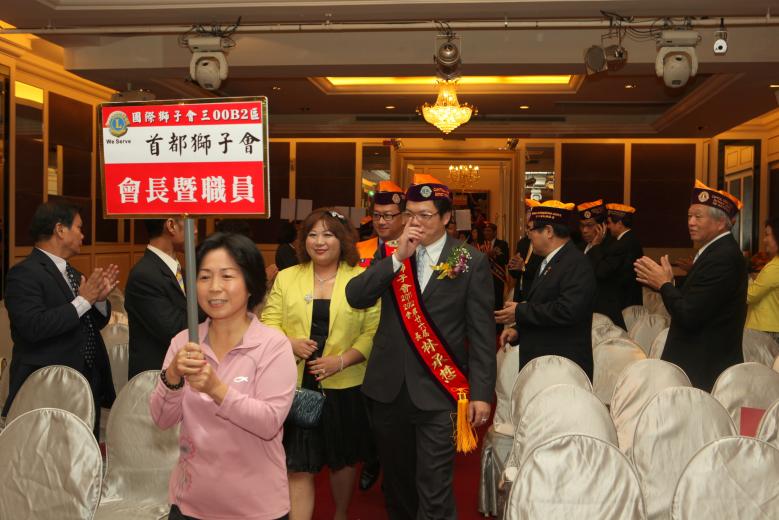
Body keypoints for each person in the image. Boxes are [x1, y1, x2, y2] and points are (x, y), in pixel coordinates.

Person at [345, 174, 496, 520]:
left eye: (425, 215)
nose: (416, 222)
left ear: (446, 218)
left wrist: (481, 393)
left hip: (439, 391)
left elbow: (482, 333)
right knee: (397, 487)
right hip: (388, 389)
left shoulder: (470, 260)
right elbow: (356, 296)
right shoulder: (392, 252)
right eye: (410, 214)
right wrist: (398, 258)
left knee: (434, 486)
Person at [150, 232, 297, 520]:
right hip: (190, 503)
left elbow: (268, 422)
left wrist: (216, 389)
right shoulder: (184, 343)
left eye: (227, 276)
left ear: (250, 284)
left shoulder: (272, 345)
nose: (214, 287)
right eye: (204, 277)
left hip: (255, 508)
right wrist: (173, 376)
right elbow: (162, 419)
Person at [261, 209, 380, 520]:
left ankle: (340, 514)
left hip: (345, 383)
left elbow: (372, 332)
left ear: (342, 240)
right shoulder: (288, 277)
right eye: (312, 234)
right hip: (297, 383)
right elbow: (269, 321)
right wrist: (289, 343)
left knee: (343, 459)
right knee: (298, 462)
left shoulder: (361, 279)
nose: (319, 241)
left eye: (328, 234)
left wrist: (341, 361)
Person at [2, 202, 118, 431]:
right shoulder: (23, 273)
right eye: (79, 228)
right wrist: (84, 301)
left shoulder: (73, 272)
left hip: (87, 380)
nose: (83, 235)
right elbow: (33, 327)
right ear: (60, 229)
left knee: (84, 446)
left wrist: (99, 300)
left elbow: (91, 323)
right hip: (48, 387)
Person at [635, 180, 747, 391]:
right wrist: (669, 283)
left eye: (698, 216)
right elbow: (697, 301)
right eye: (689, 216)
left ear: (720, 222)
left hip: (704, 366)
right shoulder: (714, 251)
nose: (691, 222)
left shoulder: (723, 257)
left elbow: (689, 315)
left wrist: (665, 285)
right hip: (697, 363)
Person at [496, 200, 596, 379]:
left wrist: (520, 311)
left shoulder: (576, 263)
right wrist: (518, 330)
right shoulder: (549, 261)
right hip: (544, 363)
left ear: (549, 231)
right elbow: (542, 304)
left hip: (561, 367)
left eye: (532, 230)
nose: (529, 236)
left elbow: (567, 310)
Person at [355, 180, 407, 490]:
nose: (382, 221)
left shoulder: (414, 248)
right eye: (377, 215)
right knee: (366, 414)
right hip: (360, 340)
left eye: (389, 215)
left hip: (397, 343)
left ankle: (391, 467)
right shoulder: (360, 250)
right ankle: (372, 457)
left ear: (404, 217)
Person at [126, 218, 195, 379]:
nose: (196, 230)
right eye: (191, 221)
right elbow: (175, 330)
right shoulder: (144, 275)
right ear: (171, 225)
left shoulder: (181, 271)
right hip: (157, 378)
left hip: (182, 374)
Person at [583, 202, 643, 329]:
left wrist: (596, 246)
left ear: (619, 223)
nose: (608, 227)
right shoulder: (629, 240)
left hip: (622, 303)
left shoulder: (621, 244)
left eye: (609, 223)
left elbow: (602, 272)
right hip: (626, 301)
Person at [746, 217, 779, 342]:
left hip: (765, 329)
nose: (764, 240)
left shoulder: (774, 267)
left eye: (767, 235)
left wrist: (749, 279)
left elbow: (750, 295)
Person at [508, 199, 544, 304]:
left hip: (535, 295)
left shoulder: (544, 245)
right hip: (519, 294)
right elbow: (515, 274)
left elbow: (542, 272)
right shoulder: (522, 243)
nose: (526, 230)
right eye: (526, 226)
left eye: (529, 227)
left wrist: (523, 267)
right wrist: (513, 266)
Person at [479, 222, 510, 334]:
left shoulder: (502, 244)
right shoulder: (479, 244)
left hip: (497, 280)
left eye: (489, 231)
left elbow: (505, 260)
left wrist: (492, 254)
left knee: (497, 304)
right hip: (482, 280)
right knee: (484, 304)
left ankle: (498, 330)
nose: (486, 233)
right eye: (485, 231)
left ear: (495, 232)